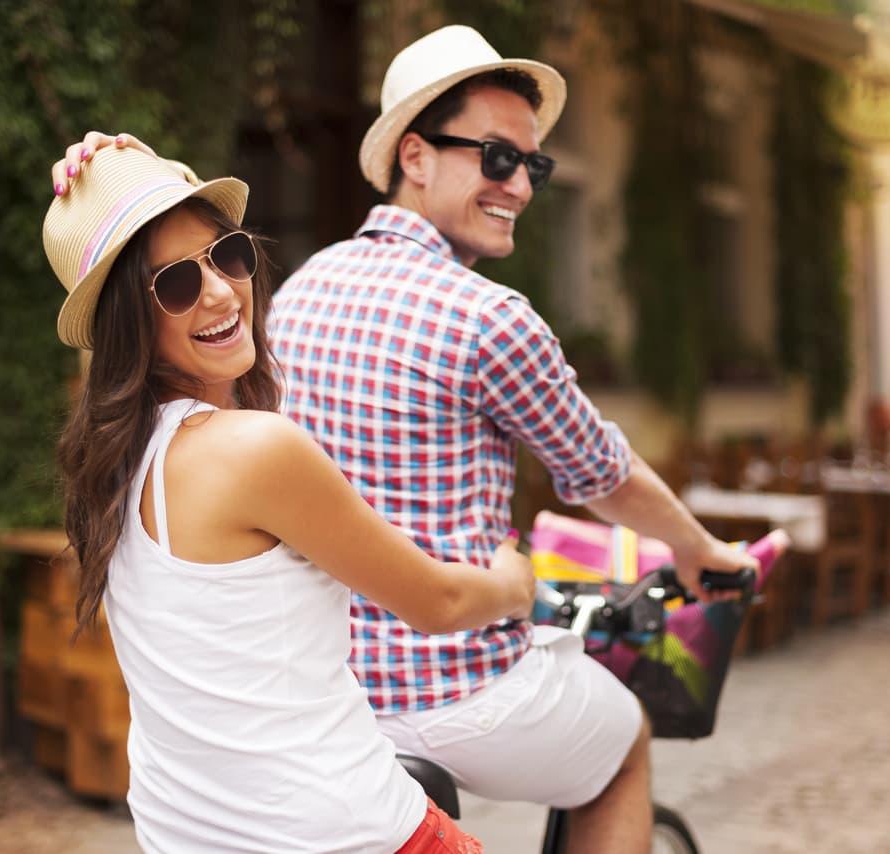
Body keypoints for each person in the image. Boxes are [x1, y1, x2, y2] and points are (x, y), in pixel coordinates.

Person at [56, 26, 757, 852]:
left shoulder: (288, 307)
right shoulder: (484, 321)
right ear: (415, 156)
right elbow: (589, 478)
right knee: (624, 737)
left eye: (230, 256)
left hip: (281, 747)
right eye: (498, 158)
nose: (522, 185)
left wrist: (115, 186)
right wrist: (537, 572)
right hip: (430, 704)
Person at [43, 140, 537, 853]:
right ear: (128, 322)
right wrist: (513, 585)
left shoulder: (115, 466)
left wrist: (127, 174)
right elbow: (441, 604)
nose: (218, 291)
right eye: (176, 284)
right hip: (344, 834)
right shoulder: (254, 449)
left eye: (227, 254)